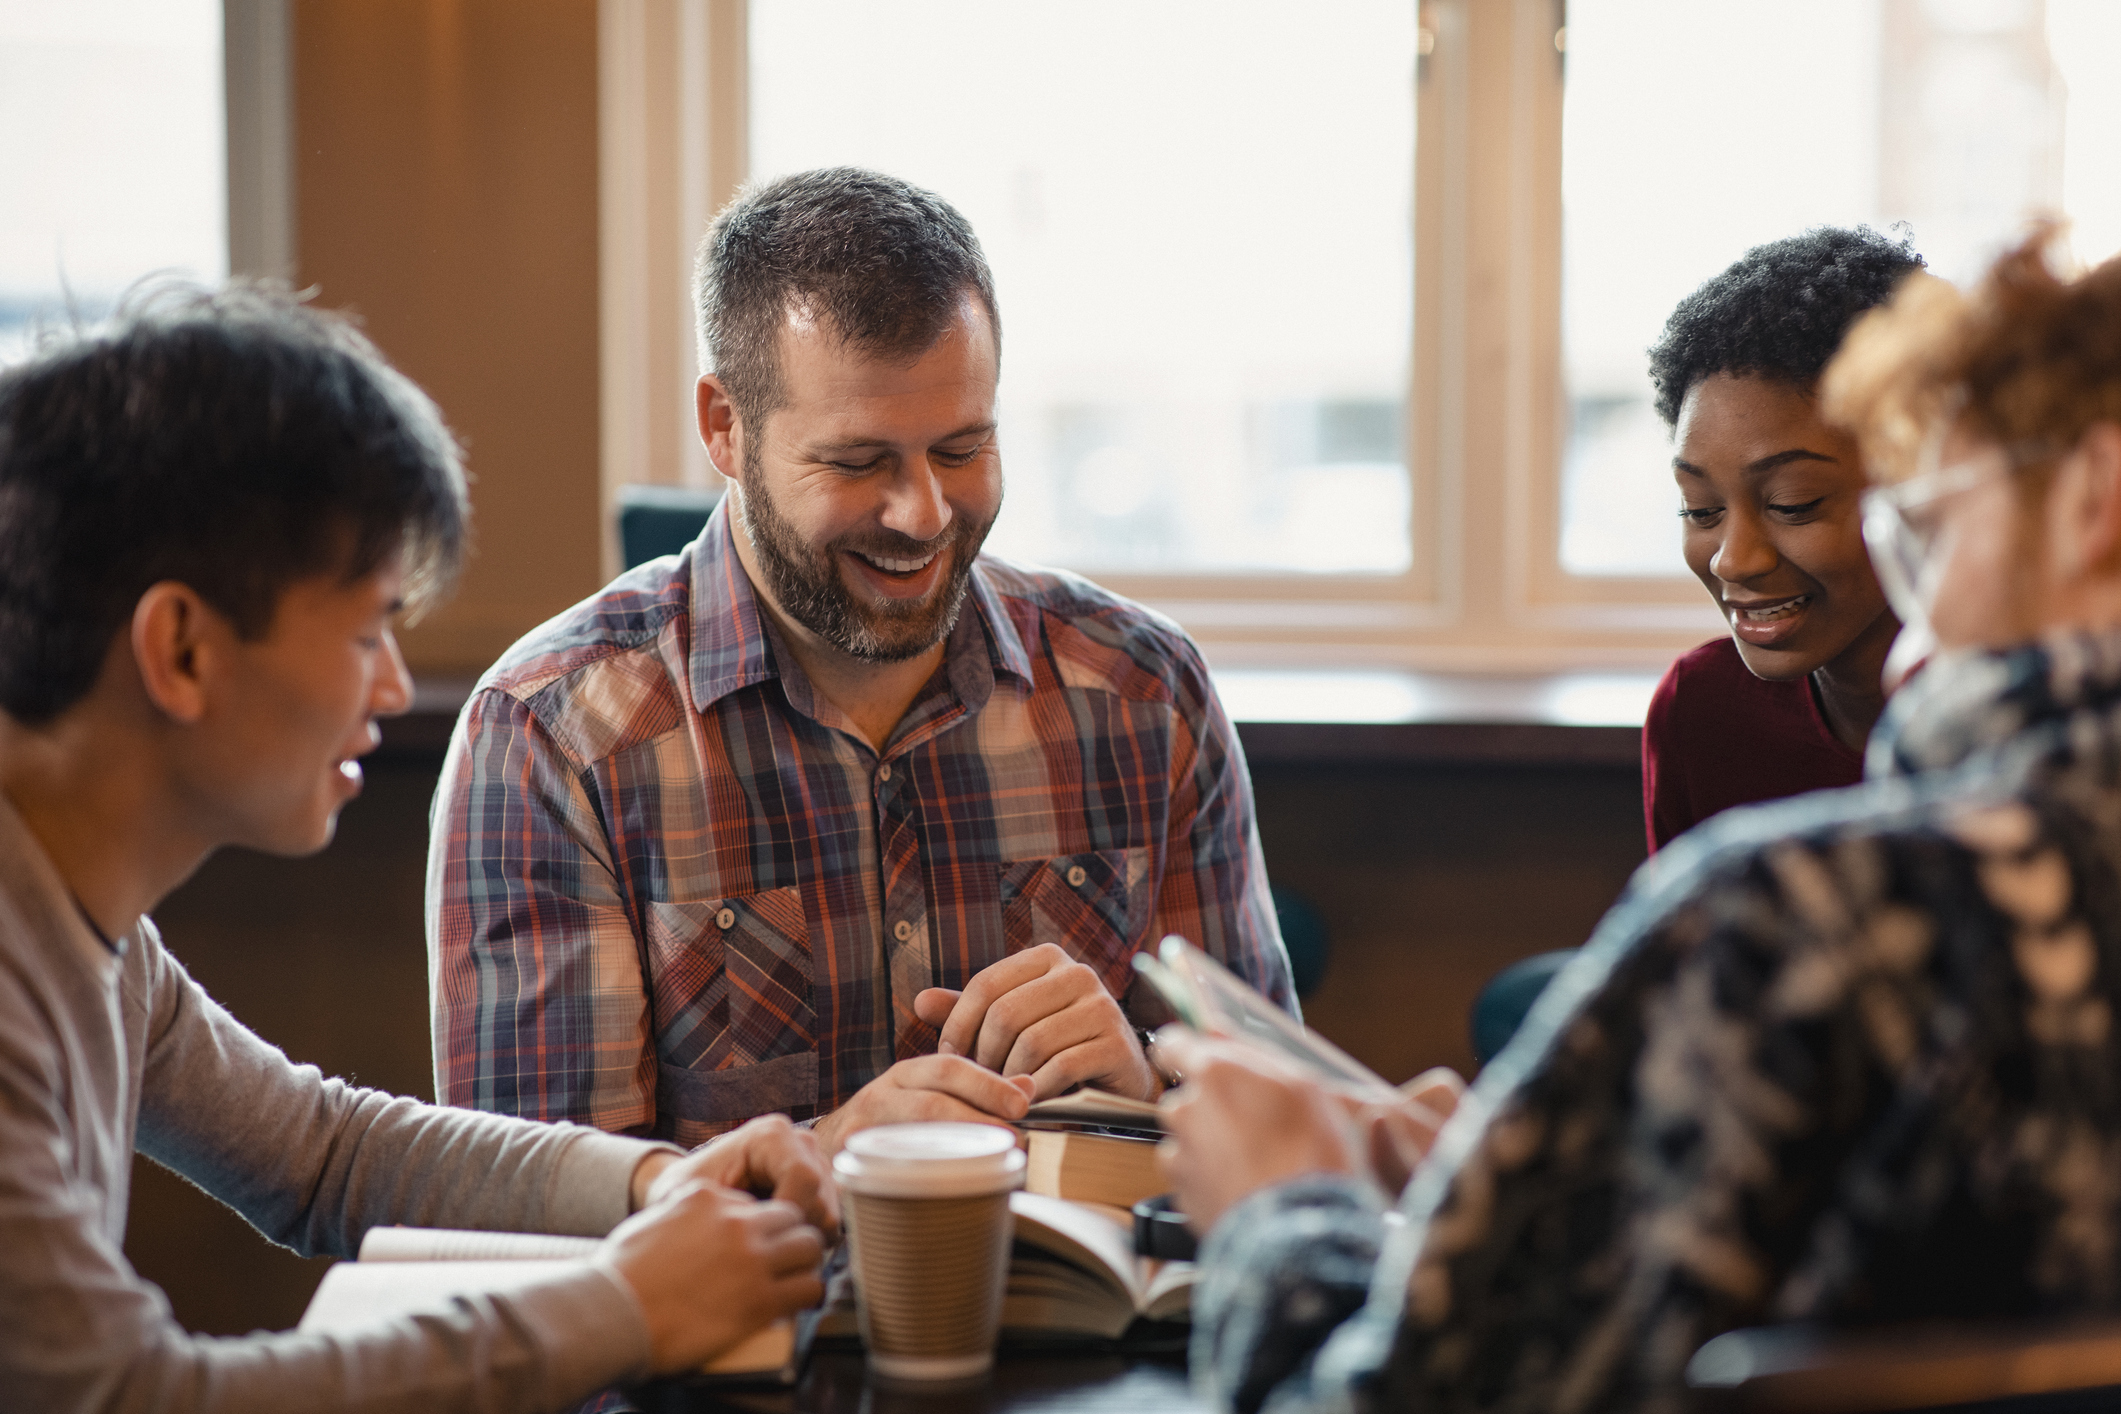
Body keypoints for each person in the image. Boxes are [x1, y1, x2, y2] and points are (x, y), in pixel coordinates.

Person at [1159, 227, 2121, 1413]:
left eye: (1936, 519)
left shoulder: (1802, 922)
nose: (1914, 580)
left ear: (2096, 498)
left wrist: (1285, 1211)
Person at [0, 284, 837, 1413]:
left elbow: (323, 1154)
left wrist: (658, 1181)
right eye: (365, 630)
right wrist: (626, 1307)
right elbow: (122, 1395)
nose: (395, 685)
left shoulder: (88, 930)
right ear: (183, 650)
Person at [426, 167, 1293, 1154]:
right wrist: (829, 1160)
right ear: (725, 426)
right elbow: (536, 1232)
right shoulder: (550, 735)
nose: (923, 514)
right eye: (857, 461)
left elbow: (1287, 1156)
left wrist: (1143, 1084)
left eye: (962, 448)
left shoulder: (1145, 691)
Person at [1644, 227, 1924, 853]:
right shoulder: (1704, 712)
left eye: (1792, 504)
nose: (1732, 559)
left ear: (1920, 487)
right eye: (1701, 509)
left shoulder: (2037, 732)